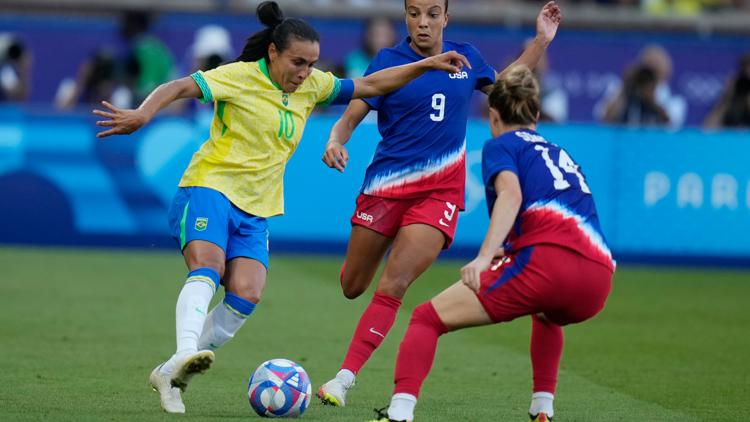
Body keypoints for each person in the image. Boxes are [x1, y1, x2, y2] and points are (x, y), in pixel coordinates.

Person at [92, 0, 469, 415]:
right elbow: (180, 86)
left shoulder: (312, 86)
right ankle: (184, 352)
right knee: (209, 268)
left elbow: (371, 86)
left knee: (246, 295)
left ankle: (168, 371)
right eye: (298, 63)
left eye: (312, 64)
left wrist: (427, 64)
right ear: (273, 53)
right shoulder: (238, 77)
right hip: (210, 186)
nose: (305, 72)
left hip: (256, 209)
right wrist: (144, 114)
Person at [317, 0, 562, 408]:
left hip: (439, 192)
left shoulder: (467, 59)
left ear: (446, 18)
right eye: (414, 13)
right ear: (405, 17)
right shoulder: (388, 61)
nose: (423, 22)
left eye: (432, 13)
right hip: (385, 186)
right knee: (352, 286)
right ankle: (350, 347)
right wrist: (334, 140)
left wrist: (540, 41)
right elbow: (351, 115)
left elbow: (506, 86)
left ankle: (344, 378)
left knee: (394, 284)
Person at [368, 65, 615, 422]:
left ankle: (399, 413)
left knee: (425, 319)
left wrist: (484, 257)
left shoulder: (502, 145)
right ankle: (542, 409)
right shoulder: (560, 153)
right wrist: (515, 246)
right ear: (537, 114)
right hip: (598, 277)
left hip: (548, 266)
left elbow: (511, 195)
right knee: (547, 315)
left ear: (493, 116)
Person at [704, 53, 750, 128]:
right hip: (736, 114)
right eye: (748, 67)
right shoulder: (735, 81)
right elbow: (723, 103)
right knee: (715, 117)